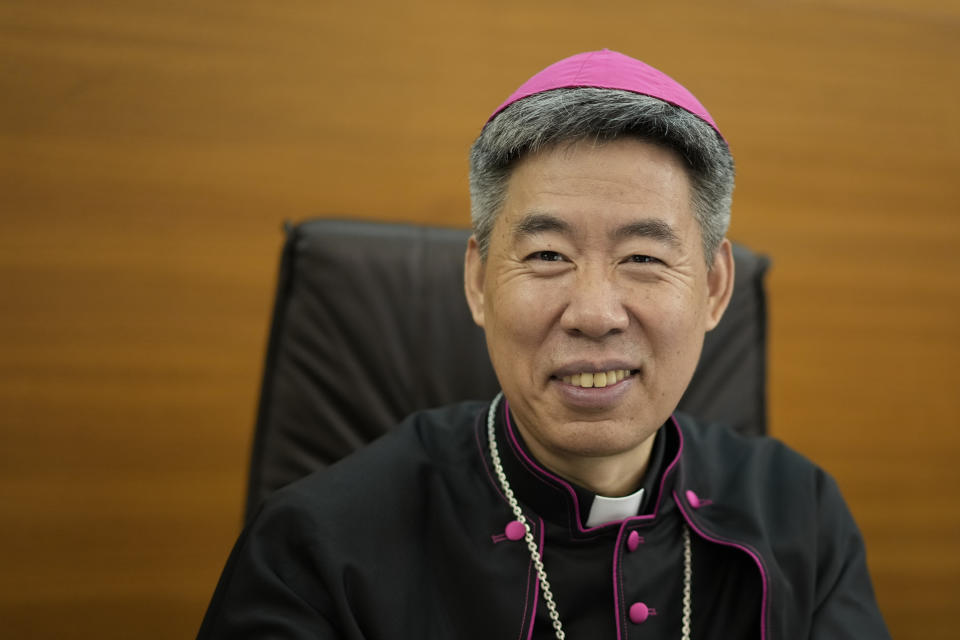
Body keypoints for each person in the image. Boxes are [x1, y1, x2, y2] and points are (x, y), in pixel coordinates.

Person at [198, 50, 890, 639]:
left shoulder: (803, 515)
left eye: (644, 258)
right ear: (477, 280)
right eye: (549, 255)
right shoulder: (314, 547)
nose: (594, 313)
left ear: (713, 288)